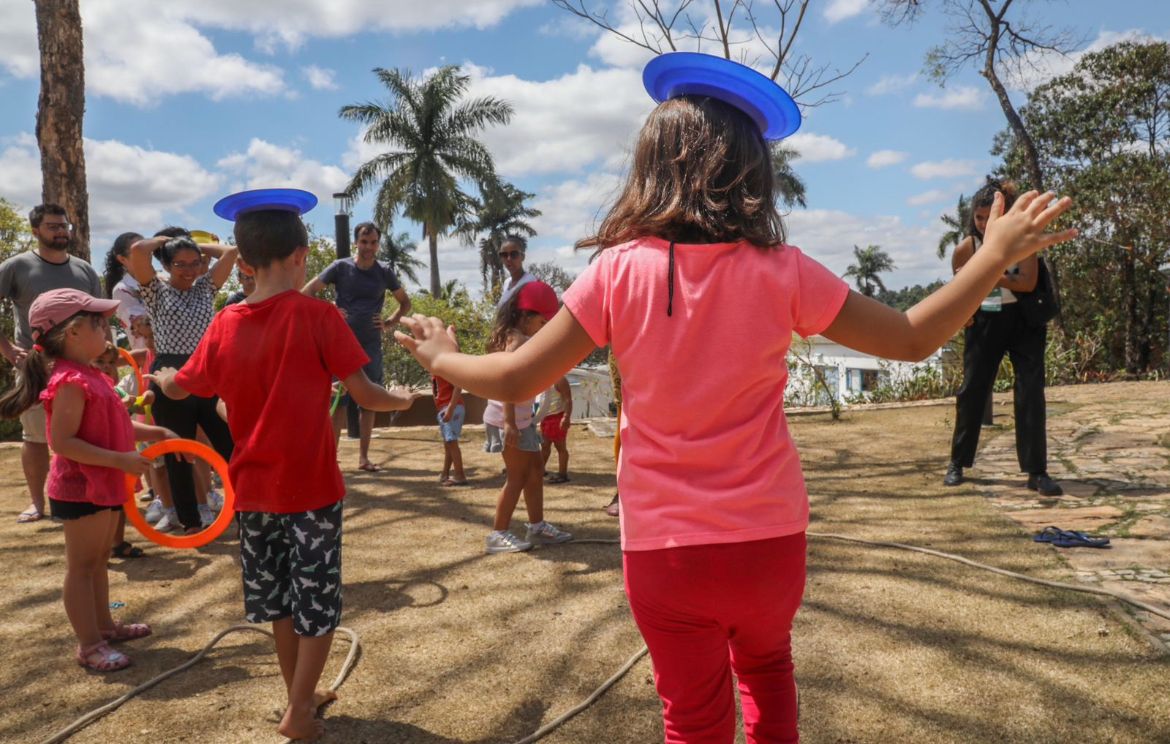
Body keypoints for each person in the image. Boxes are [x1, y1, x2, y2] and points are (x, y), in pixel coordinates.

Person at [395, 54, 1076, 742]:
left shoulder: (616, 273)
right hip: (769, 542)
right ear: (751, 171)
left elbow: (517, 381)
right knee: (769, 672)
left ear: (653, 167)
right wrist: (991, 256)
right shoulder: (783, 272)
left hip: (665, 552)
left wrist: (440, 354)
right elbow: (908, 338)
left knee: (692, 719)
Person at [153, 193, 420, 740]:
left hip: (251, 492)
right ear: (302, 255)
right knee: (316, 602)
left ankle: (300, 694)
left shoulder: (225, 323)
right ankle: (299, 711)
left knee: (277, 599)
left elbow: (184, 386)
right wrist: (404, 398)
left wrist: (157, 379)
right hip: (311, 490)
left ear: (244, 264)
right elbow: (365, 394)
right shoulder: (318, 315)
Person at [0, 289, 180, 670]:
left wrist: (158, 433)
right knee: (82, 567)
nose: (108, 328)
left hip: (105, 482)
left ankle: (105, 626)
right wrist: (120, 459)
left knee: (98, 562)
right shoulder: (69, 381)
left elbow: (113, 424)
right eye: (100, 323)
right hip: (81, 488)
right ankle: (89, 644)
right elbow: (61, 442)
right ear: (74, 332)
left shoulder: (92, 374)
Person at [943, 179, 1063, 496]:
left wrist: (984, 271)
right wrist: (964, 311)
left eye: (989, 216)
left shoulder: (1024, 241)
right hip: (985, 321)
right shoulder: (966, 248)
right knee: (972, 390)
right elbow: (958, 289)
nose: (984, 224)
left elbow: (1026, 282)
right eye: (979, 218)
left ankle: (1037, 472)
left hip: (1025, 322)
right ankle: (957, 463)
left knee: (1030, 393)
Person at [127, 228, 237, 534]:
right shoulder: (155, 291)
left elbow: (231, 253)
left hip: (207, 370)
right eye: (180, 264)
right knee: (178, 451)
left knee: (230, 447)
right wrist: (165, 243)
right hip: (168, 372)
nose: (189, 270)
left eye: (194, 263)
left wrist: (193, 245)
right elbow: (137, 250)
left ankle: (245, 514)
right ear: (165, 265)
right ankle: (190, 521)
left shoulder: (205, 288)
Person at [0, 204, 104, 524]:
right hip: (35, 366)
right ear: (36, 231)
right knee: (34, 437)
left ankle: (85, 498)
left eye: (64, 226)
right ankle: (37, 503)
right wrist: (7, 349)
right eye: (52, 226)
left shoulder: (84, 269)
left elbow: (100, 318)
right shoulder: (16, 266)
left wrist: (102, 357)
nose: (61, 232)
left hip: (82, 365)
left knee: (83, 434)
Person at [302, 221, 412, 472]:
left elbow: (405, 302)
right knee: (337, 400)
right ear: (356, 242)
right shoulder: (340, 267)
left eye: (373, 242)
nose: (368, 247)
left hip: (370, 345)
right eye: (364, 242)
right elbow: (306, 292)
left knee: (370, 401)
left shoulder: (384, 271)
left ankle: (364, 458)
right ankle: (331, 457)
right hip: (339, 343)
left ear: (378, 244)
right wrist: (328, 310)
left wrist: (389, 321)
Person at [479, 281, 572, 554]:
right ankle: (498, 534)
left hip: (522, 419)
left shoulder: (521, 337)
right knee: (517, 476)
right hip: (506, 419)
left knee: (534, 472)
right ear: (525, 316)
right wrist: (509, 422)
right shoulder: (516, 341)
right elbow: (507, 382)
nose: (543, 329)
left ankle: (537, 525)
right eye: (542, 322)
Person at [432, 366, 468, 487]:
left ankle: (460, 475)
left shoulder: (446, 367)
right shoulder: (435, 367)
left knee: (451, 442)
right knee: (448, 443)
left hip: (451, 408)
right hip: (444, 407)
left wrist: (450, 408)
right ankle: (445, 473)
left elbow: (458, 385)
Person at [538, 377, 573, 483]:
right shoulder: (543, 379)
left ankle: (562, 474)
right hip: (546, 417)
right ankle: (539, 470)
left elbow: (568, 399)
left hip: (557, 417)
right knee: (544, 446)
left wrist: (566, 417)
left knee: (560, 447)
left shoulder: (560, 380)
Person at [495, 235, 536, 309]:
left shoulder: (530, 282)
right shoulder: (507, 283)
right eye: (504, 255)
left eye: (514, 254)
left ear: (523, 256)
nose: (509, 259)